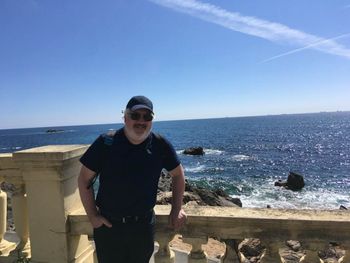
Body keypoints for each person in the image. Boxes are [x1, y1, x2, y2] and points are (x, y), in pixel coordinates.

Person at [78, 95, 186, 263]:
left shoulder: (159, 144)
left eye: (147, 116)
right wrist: (92, 216)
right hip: (109, 228)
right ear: (125, 117)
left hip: (142, 228)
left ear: (152, 120)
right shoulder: (106, 143)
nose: (141, 121)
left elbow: (178, 175)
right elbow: (84, 179)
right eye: (135, 116)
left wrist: (176, 208)